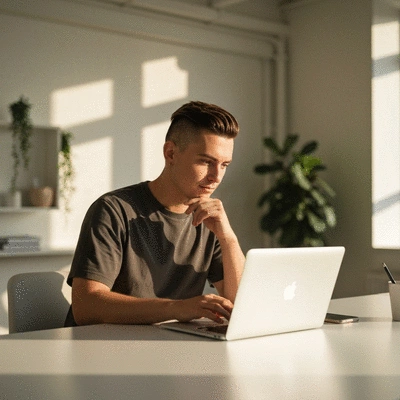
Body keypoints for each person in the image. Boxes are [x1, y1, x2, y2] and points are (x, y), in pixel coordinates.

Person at [65, 100, 245, 327]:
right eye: (206, 162)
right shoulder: (113, 210)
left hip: (169, 350)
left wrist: (228, 238)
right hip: (103, 350)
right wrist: (179, 308)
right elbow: (86, 307)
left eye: (224, 165)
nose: (216, 176)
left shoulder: (210, 220)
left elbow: (242, 308)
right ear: (170, 153)